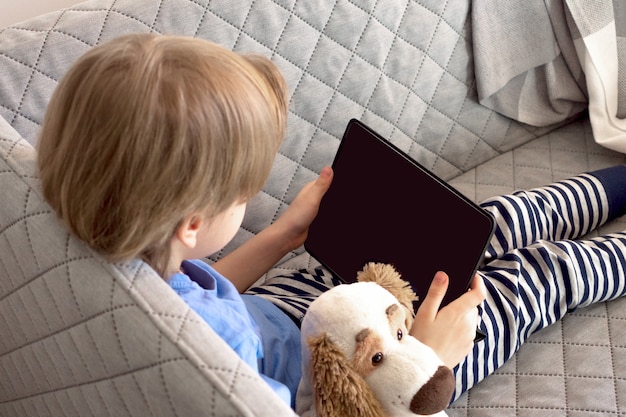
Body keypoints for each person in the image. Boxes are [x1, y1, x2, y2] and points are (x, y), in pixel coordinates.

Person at [36, 32, 626, 411]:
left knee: (484, 224)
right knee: (532, 279)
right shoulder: (224, 386)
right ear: (192, 222)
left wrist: (282, 235)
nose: (252, 199)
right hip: (373, 379)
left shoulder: (111, 259)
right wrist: (428, 360)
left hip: (293, 309)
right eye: (245, 193)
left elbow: (203, 294)